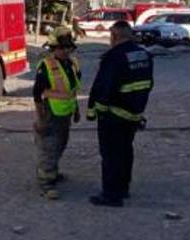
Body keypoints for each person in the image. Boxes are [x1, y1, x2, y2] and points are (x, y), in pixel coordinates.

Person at [86, 21, 153, 207]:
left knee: (111, 155)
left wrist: (96, 111)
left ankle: (111, 195)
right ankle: (123, 188)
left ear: (114, 36)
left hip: (114, 114)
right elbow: (148, 84)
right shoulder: (144, 55)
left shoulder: (113, 57)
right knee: (125, 151)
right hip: (134, 113)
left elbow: (105, 87)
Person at [32, 27, 81, 200]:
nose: (67, 51)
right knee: (49, 147)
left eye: (69, 48)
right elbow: (37, 93)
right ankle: (47, 183)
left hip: (65, 113)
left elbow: (73, 89)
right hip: (51, 113)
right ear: (54, 48)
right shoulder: (46, 66)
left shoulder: (73, 64)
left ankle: (52, 172)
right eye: (63, 48)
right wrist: (41, 117)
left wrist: (76, 110)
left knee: (61, 144)